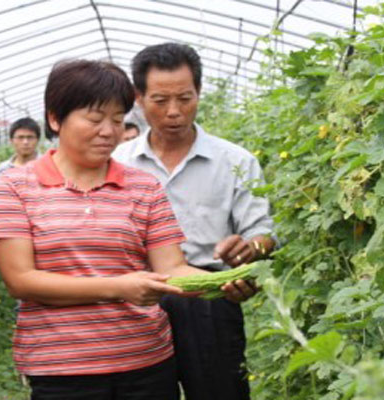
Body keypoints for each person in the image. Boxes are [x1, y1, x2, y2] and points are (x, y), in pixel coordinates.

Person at [0, 59, 256, 400]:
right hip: (62, 370)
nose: (109, 131)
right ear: (55, 118)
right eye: (95, 119)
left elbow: (170, 268)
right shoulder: (15, 185)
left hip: (147, 364)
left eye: (117, 120)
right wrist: (119, 287)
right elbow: (20, 280)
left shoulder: (144, 187)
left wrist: (221, 285)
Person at [112, 43, 276, 400]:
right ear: (139, 98)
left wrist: (250, 250)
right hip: (137, 300)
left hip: (211, 295)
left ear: (199, 93)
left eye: (185, 98)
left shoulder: (235, 160)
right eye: (159, 100)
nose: (174, 112)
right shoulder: (117, 162)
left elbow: (263, 233)